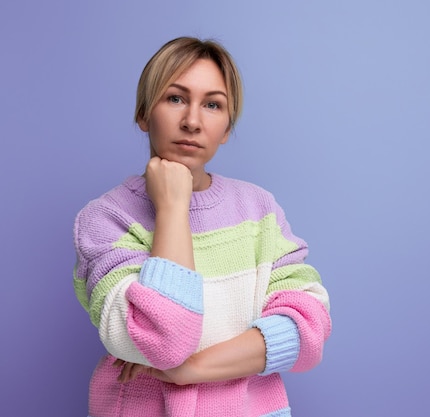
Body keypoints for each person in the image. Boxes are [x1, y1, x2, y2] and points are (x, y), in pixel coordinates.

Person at [72, 36, 331, 417]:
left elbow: (307, 329)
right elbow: (163, 341)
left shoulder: (259, 209)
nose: (192, 121)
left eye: (212, 105)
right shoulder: (104, 219)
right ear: (143, 114)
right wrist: (173, 208)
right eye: (175, 98)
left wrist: (190, 370)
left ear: (226, 128)